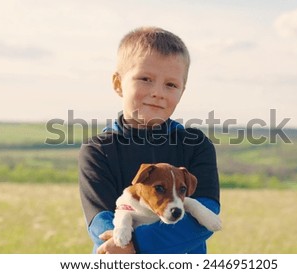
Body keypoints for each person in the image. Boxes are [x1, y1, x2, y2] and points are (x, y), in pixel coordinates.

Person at [78, 26, 220, 254]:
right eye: (145, 79)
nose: (158, 92)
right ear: (117, 83)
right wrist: (119, 246)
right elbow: (99, 218)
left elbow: (207, 213)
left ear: (182, 91)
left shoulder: (195, 144)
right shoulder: (98, 149)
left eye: (171, 85)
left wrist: (134, 246)